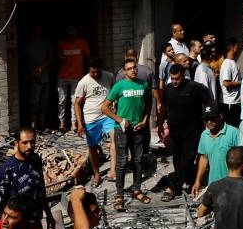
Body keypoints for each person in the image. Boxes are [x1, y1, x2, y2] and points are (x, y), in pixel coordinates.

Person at [101, 58, 152, 211]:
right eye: (129, 68)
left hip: (139, 128)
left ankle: (136, 190)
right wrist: (120, 120)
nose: (133, 70)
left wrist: (145, 119)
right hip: (122, 129)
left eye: (134, 67)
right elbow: (105, 107)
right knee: (122, 162)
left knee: (138, 160)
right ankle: (119, 195)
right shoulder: (119, 86)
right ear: (124, 71)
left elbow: (148, 103)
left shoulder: (144, 84)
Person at [159, 63, 211, 200]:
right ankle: (188, 179)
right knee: (177, 161)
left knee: (186, 160)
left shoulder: (195, 88)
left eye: (177, 78)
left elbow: (209, 103)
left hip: (193, 133)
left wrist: (209, 122)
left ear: (183, 76)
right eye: (172, 78)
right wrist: (160, 125)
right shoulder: (168, 89)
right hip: (176, 133)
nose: (174, 81)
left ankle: (172, 188)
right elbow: (164, 109)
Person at [0, 128, 54, 229]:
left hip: (34, 222)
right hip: (15, 227)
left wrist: (49, 214)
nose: (29, 146)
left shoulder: (36, 160)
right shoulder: (5, 171)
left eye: (32, 142)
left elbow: (41, 190)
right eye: (25, 143)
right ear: (16, 143)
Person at [73, 58, 114, 187]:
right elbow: (77, 104)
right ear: (88, 70)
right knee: (92, 148)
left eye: (97, 72)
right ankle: (97, 174)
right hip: (91, 118)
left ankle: (113, 171)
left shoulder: (109, 77)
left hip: (108, 115)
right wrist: (79, 123)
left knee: (115, 139)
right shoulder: (83, 82)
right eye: (92, 72)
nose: (95, 74)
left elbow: (115, 93)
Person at [192, 108, 240, 194]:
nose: (209, 122)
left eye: (212, 118)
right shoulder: (204, 135)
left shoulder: (234, 133)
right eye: (206, 119)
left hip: (233, 185)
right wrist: (197, 181)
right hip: (214, 185)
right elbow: (204, 158)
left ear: (220, 116)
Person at [55, 25, 90, 132]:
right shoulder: (61, 43)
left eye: (72, 29)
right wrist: (59, 56)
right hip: (62, 76)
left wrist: (89, 73)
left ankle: (74, 124)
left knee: (75, 101)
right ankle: (62, 123)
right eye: (68, 30)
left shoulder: (82, 42)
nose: (70, 32)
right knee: (61, 101)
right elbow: (55, 55)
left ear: (76, 31)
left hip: (76, 76)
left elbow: (88, 57)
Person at [19, 25, 54, 130]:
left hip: (44, 77)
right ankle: (34, 128)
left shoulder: (46, 42)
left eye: (38, 28)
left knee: (44, 102)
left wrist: (42, 67)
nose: (36, 30)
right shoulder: (26, 44)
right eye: (34, 28)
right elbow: (20, 61)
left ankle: (42, 127)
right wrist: (30, 72)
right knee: (33, 103)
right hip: (32, 79)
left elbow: (52, 57)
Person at [220, 44, 243, 127]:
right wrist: (242, 82)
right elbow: (226, 83)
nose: (239, 47)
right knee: (231, 127)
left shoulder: (233, 62)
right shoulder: (227, 64)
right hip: (230, 101)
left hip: (236, 101)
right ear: (232, 48)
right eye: (237, 45)